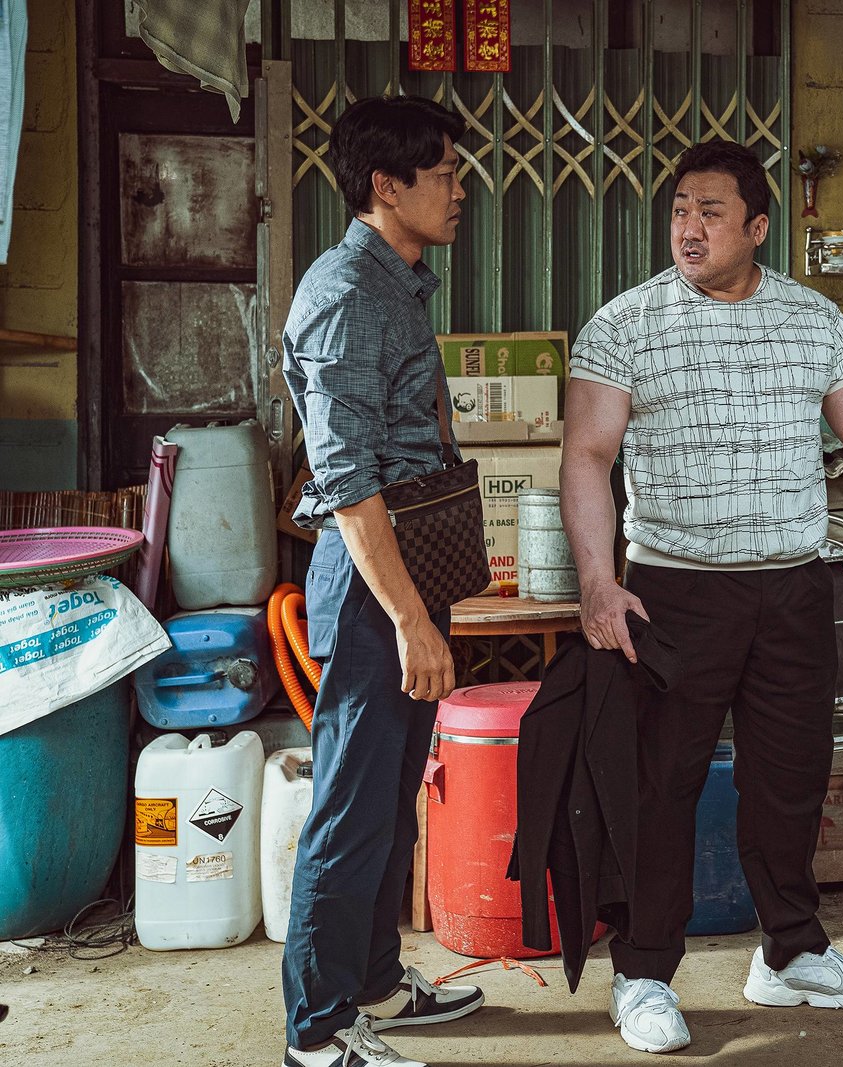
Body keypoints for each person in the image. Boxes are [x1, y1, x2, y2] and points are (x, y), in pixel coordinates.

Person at [561, 139, 843, 1055]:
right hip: (672, 593)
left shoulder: (815, 320)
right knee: (661, 786)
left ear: (758, 227)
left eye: (712, 212)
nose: (690, 228)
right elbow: (587, 456)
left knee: (791, 778)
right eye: (680, 210)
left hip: (793, 589)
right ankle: (644, 972)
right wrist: (599, 581)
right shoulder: (624, 324)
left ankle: (791, 952)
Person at [279, 96, 486, 1067]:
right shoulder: (346, 294)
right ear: (385, 186)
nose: (461, 187)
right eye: (443, 173)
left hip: (402, 577)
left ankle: (373, 983)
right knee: (350, 810)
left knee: (390, 796)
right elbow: (347, 479)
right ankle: (317, 1030)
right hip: (372, 587)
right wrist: (409, 619)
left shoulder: (394, 281)